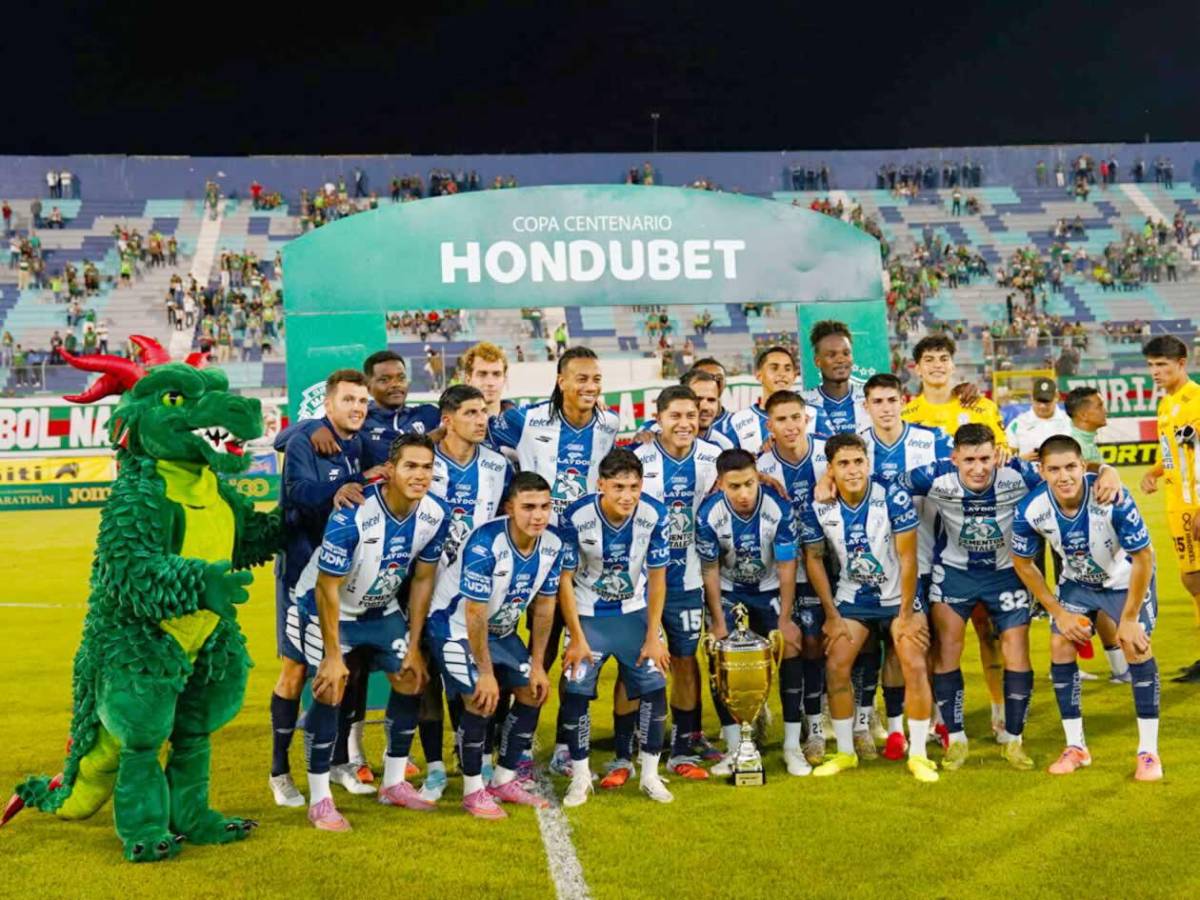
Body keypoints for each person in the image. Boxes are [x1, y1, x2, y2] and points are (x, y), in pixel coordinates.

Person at [288, 434, 450, 830]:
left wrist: (413, 645)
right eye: (410, 466)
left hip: (380, 609)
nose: (420, 475)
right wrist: (331, 656)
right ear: (390, 471)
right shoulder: (354, 514)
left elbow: (424, 579)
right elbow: (327, 586)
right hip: (327, 607)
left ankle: (394, 784)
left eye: (427, 467)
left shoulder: (435, 513)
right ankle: (321, 798)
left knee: (412, 676)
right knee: (332, 688)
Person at [488, 346, 619, 772]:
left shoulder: (611, 424)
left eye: (596, 379)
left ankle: (566, 744)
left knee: (574, 655)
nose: (590, 387)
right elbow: (475, 430)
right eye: (581, 378)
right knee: (529, 653)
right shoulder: (524, 420)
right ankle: (508, 740)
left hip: (583, 562)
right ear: (561, 380)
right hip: (530, 556)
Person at [1011, 436, 1162, 780]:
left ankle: (1148, 753)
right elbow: (1022, 563)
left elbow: (1144, 558)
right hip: (1078, 584)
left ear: (1082, 466)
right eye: (1054, 469)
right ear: (1042, 471)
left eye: (1070, 467)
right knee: (1060, 644)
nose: (1063, 476)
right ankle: (1076, 747)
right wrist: (1057, 612)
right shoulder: (1032, 508)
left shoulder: (1112, 498)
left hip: (1125, 581)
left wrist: (1128, 618)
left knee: (1136, 647)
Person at [898, 425, 1045, 771]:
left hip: (1007, 575)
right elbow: (885, 484)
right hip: (955, 574)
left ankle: (1014, 739)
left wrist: (1108, 473)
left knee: (1016, 652)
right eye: (969, 460)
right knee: (948, 651)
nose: (978, 468)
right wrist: (832, 480)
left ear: (996, 454)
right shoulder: (935, 476)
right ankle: (957, 738)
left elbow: (1064, 475)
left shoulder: (1017, 473)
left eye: (985, 459)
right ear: (954, 459)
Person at [268, 370, 381, 809]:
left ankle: (337, 762)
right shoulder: (305, 442)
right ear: (328, 406)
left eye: (362, 401)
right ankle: (279, 772)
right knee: (296, 671)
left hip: (344, 578)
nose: (357, 407)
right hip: (301, 575)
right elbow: (298, 494)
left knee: (344, 668)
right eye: (349, 400)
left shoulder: (359, 442)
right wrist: (343, 486)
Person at [799, 433, 939, 783]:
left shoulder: (891, 495)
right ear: (830, 469)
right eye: (843, 464)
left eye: (859, 462)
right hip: (852, 598)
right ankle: (846, 752)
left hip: (898, 599)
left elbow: (908, 557)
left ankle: (918, 753)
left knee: (914, 662)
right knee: (836, 665)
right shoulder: (818, 506)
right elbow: (814, 559)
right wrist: (831, 615)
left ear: (868, 463)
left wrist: (906, 614)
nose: (853, 470)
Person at [425, 473, 564, 817]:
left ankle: (503, 779)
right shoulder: (485, 544)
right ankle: (473, 791)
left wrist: (537, 665)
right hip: (454, 627)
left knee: (534, 690)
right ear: (509, 508)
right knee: (480, 697)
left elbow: (545, 607)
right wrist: (485, 673)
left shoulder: (553, 545)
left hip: (500, 632)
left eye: (545, 507)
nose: (538, 516)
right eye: (528, 507)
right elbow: (474, 614)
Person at [901, 334, 1011, 732]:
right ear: (916, 367)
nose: (936, 365)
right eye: (928, 359)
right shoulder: (907, 412)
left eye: (943, 358)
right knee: (934, 634)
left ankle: (1000, 714)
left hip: (980, 535)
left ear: (953, 364)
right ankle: (937, 718)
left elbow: (1003, 458)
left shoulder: (979, 406)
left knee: (991, 631)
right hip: (929, 538)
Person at [556, 449, 673, 807]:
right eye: (618, 486)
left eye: (634, 486)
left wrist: (653, 635)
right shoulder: (575, 515)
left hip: (634, 614)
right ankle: (579, 777)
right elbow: (564, 579)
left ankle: (650, 775)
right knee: (575, 689)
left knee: (655, 685)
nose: (627, 495)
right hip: (589, 616)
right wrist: (575, 636)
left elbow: (657, 579)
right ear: (601, 484)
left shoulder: (655, 513)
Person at [414, 384, 513, 800]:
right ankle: (435, 766)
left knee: (472, 672)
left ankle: (476, 753)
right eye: (471, 412)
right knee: (426, 679)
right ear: (448, 419)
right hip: (421, 586)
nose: (481, 419)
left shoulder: (497, 465)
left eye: (484, 411)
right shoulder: (422, 462)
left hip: (476, 591)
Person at [634, 385, 721, 779]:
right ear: (660, 418)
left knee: (686, 660)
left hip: (687, 579)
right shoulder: (638, 459)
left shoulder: (713, 458)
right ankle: (633, 744)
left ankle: (685, 743)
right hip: (640, 581)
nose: (685, 423)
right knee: (637, 660)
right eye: (676, 416)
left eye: (691, 415)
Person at [696, 448, 800, 772]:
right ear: (720, 484)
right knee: (721, 657)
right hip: (729, 591)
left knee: (791, 651)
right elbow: (710, 569)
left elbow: (786, 565)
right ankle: (734, 748)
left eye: (749, 484)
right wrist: (716, 620)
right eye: (734, 486)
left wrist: (785, 618)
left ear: (758, 477)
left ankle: (792, 746)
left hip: (768, 589)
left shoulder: (778, 507)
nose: (743, 494)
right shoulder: (708, 514)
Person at [754, 391, 830, 769]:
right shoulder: (760, 465)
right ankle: (788, 718)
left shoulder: (827, 456)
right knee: (792, 645)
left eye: (796, 417)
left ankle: (815, 724)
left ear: (806, 418)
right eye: (781, 419)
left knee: (817, 643)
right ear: (769, 426)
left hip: (826, 566)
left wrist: (832, 476)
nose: (790, 425)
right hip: (780, 570)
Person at [1140, 335, 1200, 681]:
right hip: (1177, 504)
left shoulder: (1196, 400)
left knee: (1195, 579)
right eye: (1151, 365)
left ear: (1182, 363)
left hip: (1195, 505)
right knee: (1193, 580)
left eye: (1162, 364)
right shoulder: (1166, 405)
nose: (1155, 371)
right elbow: (1172, 455)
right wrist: (1153, 472)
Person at [717, 345, 798, 452]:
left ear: (794, 376)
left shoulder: (812, 415)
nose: (782, 374)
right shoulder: (738, 421)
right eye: (774, 368)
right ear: (759, 375)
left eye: (787, 369)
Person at [802, 320, 870, 435]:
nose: (840, 359)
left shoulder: (870, 399)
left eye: (846, 353)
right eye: (832, 355)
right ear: (817, 361)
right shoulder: (802, 404)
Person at [1005, 377, 1073, 460]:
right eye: (1038, 401)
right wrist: (1021, 460)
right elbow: (1006, 456)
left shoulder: (1069, 422)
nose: (1042, 406)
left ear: (1056, 397)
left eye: (1046, 401)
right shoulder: (1018, 423)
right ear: (1032, 398)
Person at [459, 341, 511, 417]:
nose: (490, 382)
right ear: (468, 380)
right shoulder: (453, 426)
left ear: (504, 379)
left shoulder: (522, 424)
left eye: (496, 374)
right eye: (482, 374)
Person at [1065, 386, 1107, 465]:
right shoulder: (1074, 447)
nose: (1105, 411)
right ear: (1083, 415)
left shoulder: (1085, 443)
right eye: (1100, 406)